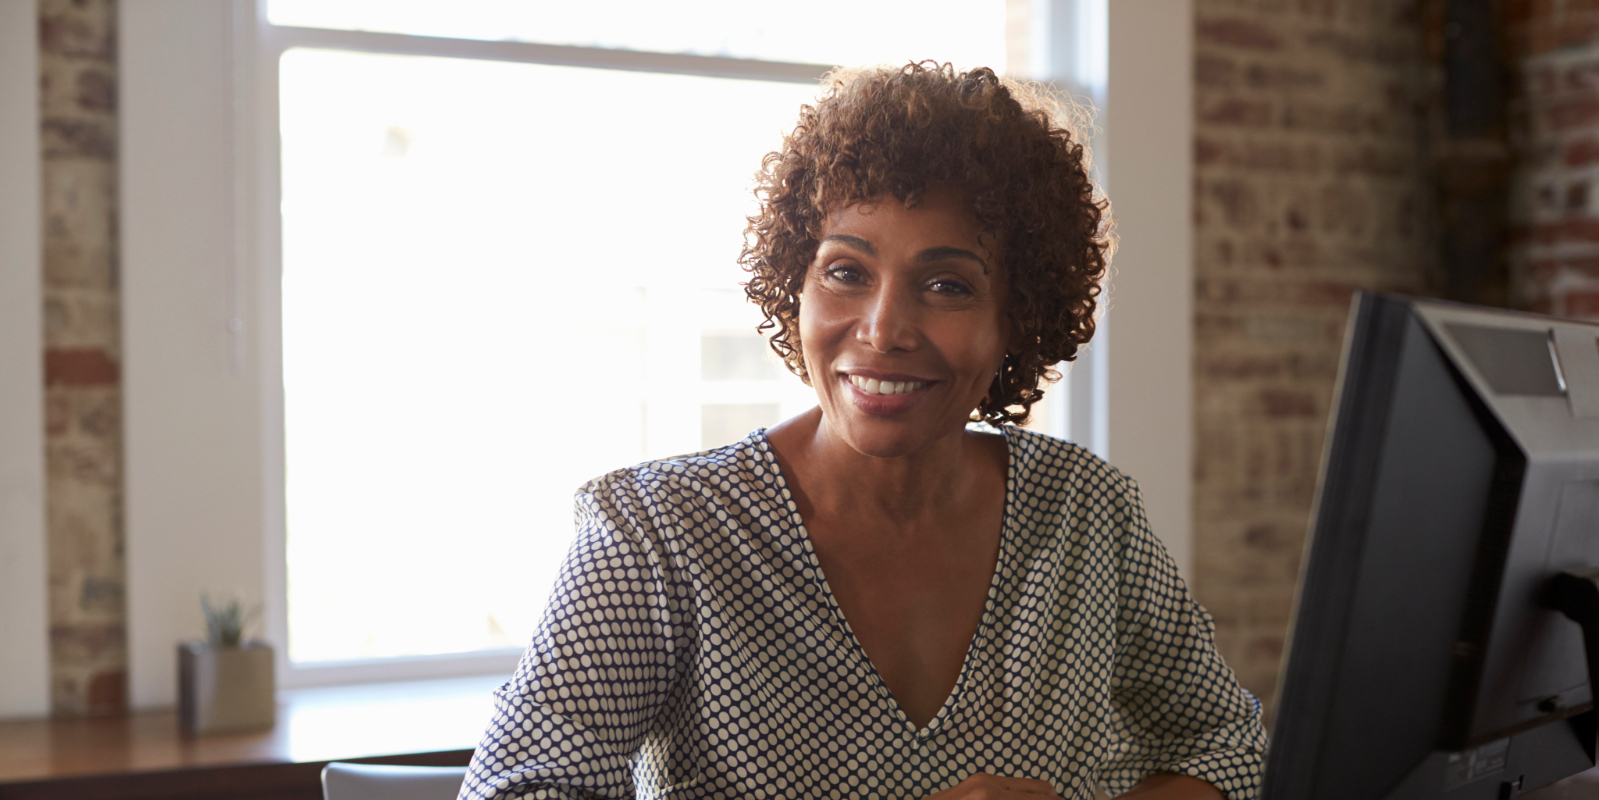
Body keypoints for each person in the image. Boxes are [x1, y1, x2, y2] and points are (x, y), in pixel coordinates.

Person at [459, 62, 1267, 800]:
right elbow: (516, 790)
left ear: (1016, 319)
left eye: (947, 285)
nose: (882, 330)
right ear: (795, 286)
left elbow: (1228, 743)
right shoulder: (661, 534)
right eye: (845, 272)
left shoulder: (1086, 514)